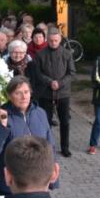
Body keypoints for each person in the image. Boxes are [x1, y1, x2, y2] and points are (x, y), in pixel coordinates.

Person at [0, 76, 58, 197]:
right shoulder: (1, 115)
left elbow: (50, 146)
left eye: (26, 92)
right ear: (9, 96)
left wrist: (53, 177)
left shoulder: (40, 113)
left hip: (38, 183)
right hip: (10, 186)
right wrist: (2, 125)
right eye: (18, 93)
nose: (24, 97)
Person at [32, 27, 76, 157]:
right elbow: (38, 73)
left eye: (56, 40)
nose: (53, 43)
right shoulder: (40, 54)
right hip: (46, 92)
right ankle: (47, 147)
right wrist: (50, 82)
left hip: (63, 93)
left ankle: (65, 147)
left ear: (60, 39)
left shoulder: (67, 54)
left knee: (65, 121)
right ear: (47, 40)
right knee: (46, 122)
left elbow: (71, 73)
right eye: (51, 41)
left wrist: (60, 83)